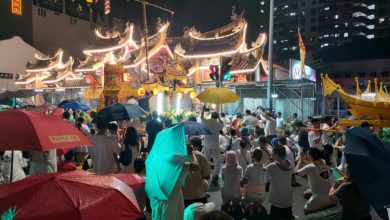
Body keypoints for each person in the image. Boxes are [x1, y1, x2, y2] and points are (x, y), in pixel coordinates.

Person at [295, 148, 336, 215]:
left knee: (306, 210)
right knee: (306, 193)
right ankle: (325, 206)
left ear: (311, 156)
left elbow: (295, 172)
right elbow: (314, 164)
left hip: (320, 197)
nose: (306, 156)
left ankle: (321, 209)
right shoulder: (324, 163)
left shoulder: (309, 167)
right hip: (331, 195)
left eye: (307, 154)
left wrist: (299, 161)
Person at [264, 146, 294, 220]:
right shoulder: (290, 163)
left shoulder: (273, 166)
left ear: (276, 154)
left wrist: (269, 161)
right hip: (288, 198)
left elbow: (263, 168)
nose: (272, 154)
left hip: (277, 199)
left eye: (273, 153)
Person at [182, 141, 212, 207]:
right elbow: (207, 176)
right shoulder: (200, 156)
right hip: (198, 195)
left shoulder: (174, 157)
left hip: (181, 198)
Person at [241, 149, 267, 216]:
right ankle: (258, 205)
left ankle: (249, 207)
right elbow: (266, 181)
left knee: (243, 199)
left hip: (250, 195)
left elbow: (245, 179)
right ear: (261, 157)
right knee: (258, 198)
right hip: (262, 195)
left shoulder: (249, 167)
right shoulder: (265, 167)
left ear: (253, 157)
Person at [201, 106, 223, 181]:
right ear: (217, 117)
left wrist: (203, 110)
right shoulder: (218, 124)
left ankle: (205, 173)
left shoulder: (207, 121)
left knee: (206, 158)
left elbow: (201, 117)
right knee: (216, 159)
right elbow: (222, 124)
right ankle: (215, 174)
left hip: (207, 143)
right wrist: (219, 117)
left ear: (211, 116)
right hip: (215, 144)